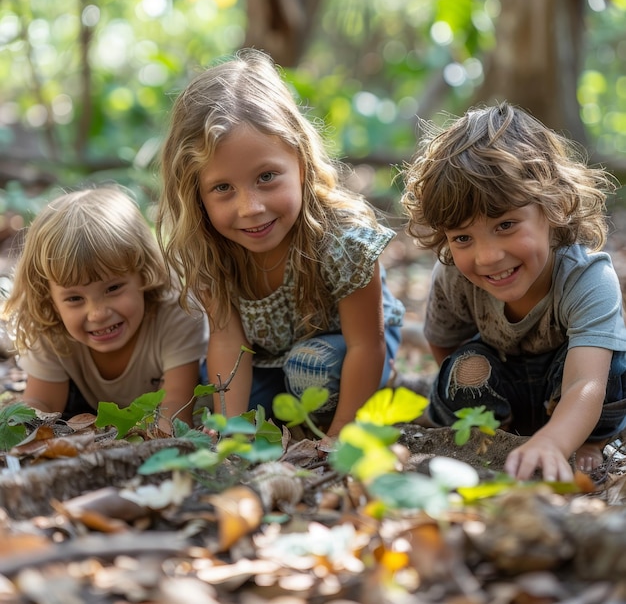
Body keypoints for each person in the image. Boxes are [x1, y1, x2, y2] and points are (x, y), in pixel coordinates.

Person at [156, 48, 405, 444]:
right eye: (223, 188)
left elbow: (366, 343)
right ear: (196, 195)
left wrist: (342, 436)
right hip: (270, 360)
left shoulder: (341, 239)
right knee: (219, 393)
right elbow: (226, 341)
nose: (250, 208)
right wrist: (230, 429)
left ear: (301, 164)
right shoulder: (208, 248)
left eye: (267, 177)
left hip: (353, 349)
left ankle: (356, 405)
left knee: (311, 368)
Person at [401, 101, 626, 482]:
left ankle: (587, 442)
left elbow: (584, 383)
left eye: (505, 225)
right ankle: (495, 437)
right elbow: (445, 347)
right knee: (465, 367)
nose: (487, 256)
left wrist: (556, 441)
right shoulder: (454, 277)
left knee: (615, 372)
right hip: (500, 390)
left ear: (553, 206)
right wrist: (467, 391)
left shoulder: (586, 278)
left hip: (567, 394)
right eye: (462, 237)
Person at [3, 186, 208, 429]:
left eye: (113, 289)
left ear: (144, 274)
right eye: (75, 299)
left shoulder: (176, 313)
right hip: (86, 411)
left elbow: (173, 406)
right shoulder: (51, 328)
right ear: (49, 298)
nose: (98, 313)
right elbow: (44, 402)